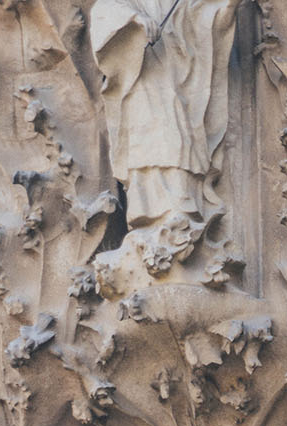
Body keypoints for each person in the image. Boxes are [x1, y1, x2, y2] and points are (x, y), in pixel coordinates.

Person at [91, 0, 242, 267]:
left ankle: (180, 214)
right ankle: (150, 217)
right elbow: (104, 11)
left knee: (177, 138)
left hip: (175, 80)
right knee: (149, 142)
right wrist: (135, 21)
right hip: (139, 78)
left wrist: (227, 9)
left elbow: (206, 21)